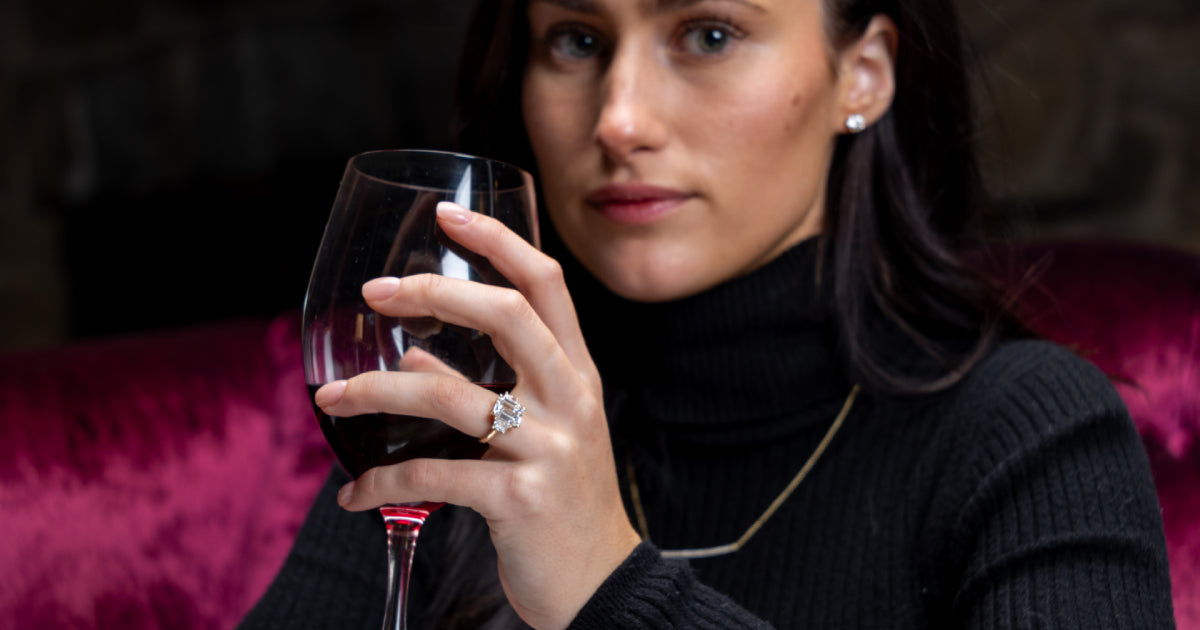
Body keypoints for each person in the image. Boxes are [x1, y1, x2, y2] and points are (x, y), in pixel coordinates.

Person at [241, 0, 1176, 627]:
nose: (619, 119)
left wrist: (610, 588)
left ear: (863, 75)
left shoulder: (1032, 435)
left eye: (710, 34)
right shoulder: (471, 408)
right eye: (576, 40)